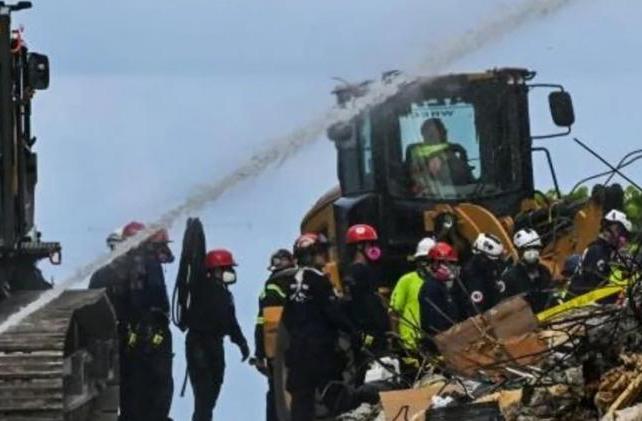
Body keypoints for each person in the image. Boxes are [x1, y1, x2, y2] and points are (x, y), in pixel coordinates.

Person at [90, 221, 175, 421]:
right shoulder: (144, 267)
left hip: (124, 342)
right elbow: (147, 305)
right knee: (153, 390)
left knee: (132, 392)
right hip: (147, 341)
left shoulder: (108, 272)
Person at [282, 233, 355, 421]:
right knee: (335, 396)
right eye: (321, 252)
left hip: (297, 353)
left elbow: (287, 319)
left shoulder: (291, 283)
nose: (325, 255)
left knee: (301, 404)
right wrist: (354, 331)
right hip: (320, 352)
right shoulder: (319, 280)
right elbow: (333, 313)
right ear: (309, 255)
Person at [184, 248, 250, 421]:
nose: (231, 273)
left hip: (215, 344)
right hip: (199, 344)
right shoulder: (201, 288)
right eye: (227, 268)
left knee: (213, 389)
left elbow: (231, 322)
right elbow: (194, 267)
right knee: (203, 395)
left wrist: (241, 343)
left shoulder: (225, 295)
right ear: (216, 270)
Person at [343, 224, 390, 385]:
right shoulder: (359, 272)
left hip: (368, 330)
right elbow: (365, 304)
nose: (374, 248)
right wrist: (379, 326)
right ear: (359, 246)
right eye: (370, 244)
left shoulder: (358, 271)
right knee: (371, 369)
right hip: (369, 332)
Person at [253, 249, 297, 421]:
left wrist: (260, 354)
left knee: (277, 393)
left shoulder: (270, 287)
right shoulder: (304, 280)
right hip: (299, 345)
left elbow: (262, 323)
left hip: (278, 350)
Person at [569, 209, 633, 296]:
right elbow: (595, 287)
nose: (623, 239)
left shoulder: (608, 253)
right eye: (622, 233)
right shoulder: (597, 250)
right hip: (578, 303)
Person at [389, 237, 436, 351]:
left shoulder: (439, 284)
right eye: (424, 260)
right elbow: (394, 311)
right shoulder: (406, 281)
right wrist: (396, 338)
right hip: (410, 343)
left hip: (434, 342)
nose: (428, 264)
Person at [407, 118, 474, 195]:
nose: (445, 132)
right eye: (440, 131)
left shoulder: (453, 151)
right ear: (428, 136)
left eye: (444, 130)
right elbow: (431, 190)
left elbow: (470, 180)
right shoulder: (419, 159)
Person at [453, 232, 505, 319]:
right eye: (493, 259)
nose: (496, 262)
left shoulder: (489, 269)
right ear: (483, 258)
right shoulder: (470, 275)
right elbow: (474, 309)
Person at [501, 229, 553, 313]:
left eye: (535, 248)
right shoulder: (509, 278)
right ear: (519, 251)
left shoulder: (544, 271)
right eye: (528, 249)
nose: (532, 252)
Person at [418, 242, 460, 340]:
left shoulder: (444, 287)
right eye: (445, 263)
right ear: (434, 264)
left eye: (452, 263)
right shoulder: (430, 288)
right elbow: (433, 322)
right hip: (438, 342)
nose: (450, 267)